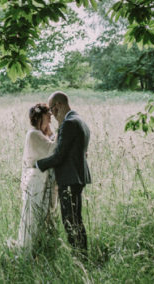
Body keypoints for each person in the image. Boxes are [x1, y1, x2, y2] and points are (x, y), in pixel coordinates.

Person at [36, 91, 91, 256]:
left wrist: (38, 164)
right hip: (77, 176)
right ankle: (82, 255)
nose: (52, 114)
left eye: (52, 110)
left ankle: (80, 257)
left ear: (58, 105)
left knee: (71, 221)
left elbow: (59, 156)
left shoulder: (68, 123)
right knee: (75, 219)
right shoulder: (79, 120)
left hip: (70, 178)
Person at [15, 103, 57, 253]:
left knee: (45, 217)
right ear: (40, 117)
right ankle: (31, 251)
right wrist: (56, 134)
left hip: (42, 179)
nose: (50, 121)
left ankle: (43, 248)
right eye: (48, 117)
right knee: (35, 217)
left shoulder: (39, 134)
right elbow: (53, 150)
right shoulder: (34, 134)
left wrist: (50, 134)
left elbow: (50, 147)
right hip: (37, 182)